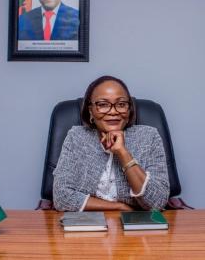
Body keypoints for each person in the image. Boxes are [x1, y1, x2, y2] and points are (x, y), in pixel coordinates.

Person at [53, 76, 170, 211]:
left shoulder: (149, 137)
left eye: (121, 104)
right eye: (102, 104)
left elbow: (158, 202)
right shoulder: (77, 137)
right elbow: (61, 197)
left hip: (137, 226)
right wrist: (118, 207)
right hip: (87, 224)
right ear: (90, 111)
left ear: (129, 109)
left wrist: (122, 152)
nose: (113, 111)